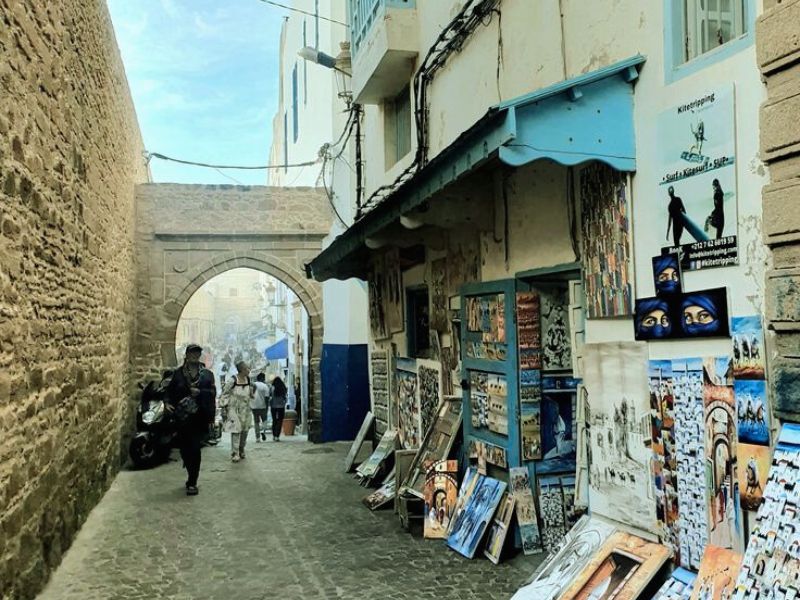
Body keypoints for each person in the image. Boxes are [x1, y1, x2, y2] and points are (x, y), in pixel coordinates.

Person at [166, 344, 216, 496]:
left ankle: (192, 481)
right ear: (186, 355)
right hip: (182, 418)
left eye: (197, 353)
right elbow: (170, 391)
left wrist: (201, 393)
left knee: (195, 448)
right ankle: (189, 470)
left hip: (199, 417)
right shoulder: (178, 374)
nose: (194, 356)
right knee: (185, 450)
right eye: (192, 353)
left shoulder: (207, 374)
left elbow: (212, 394)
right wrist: (167, 402)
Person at [219, 360, 254, 462]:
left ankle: (241, 448)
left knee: (245, 430)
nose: (249, 370)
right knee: (236, 430)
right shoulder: (233, 380)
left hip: (246, 409)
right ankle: (235, 453)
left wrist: (251, 394)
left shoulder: (248, 379)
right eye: (247, 368)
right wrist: (224, 406)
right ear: (242, 370)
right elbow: (225, 393)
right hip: (234, 408)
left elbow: (250, 390)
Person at [252, 373, 271, 442]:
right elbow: (267, 398)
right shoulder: (265, 386)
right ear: (263, 378)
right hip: (262, 406)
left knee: (256, 422)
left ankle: (257, 438)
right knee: (264, 421)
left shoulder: (253, 385)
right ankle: (263, 431)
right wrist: (267, 406)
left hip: (254, 406)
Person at [270, 375, 288, 442]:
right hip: (281, 407)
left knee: (274, 420)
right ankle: (277, 436)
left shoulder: (272, 388)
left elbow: (270, 396)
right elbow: (285, 398)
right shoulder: (283, 388)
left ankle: (274, 435)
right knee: (280, 421)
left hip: (273, 407)